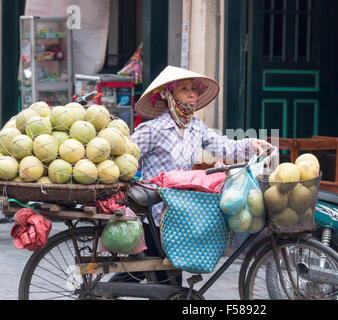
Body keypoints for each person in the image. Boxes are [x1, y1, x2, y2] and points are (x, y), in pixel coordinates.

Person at [111, 66, 271, 284]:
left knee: (152, 271)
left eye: (194, 89)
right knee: (159, 276)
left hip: (181, 211)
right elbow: (126, 159)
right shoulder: (152, 129)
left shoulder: (198, 127)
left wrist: (250, 144)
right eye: (184, 89)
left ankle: (105, 293)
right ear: (168, 95)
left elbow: (223, 146)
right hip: (155, 212)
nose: (192, 94)